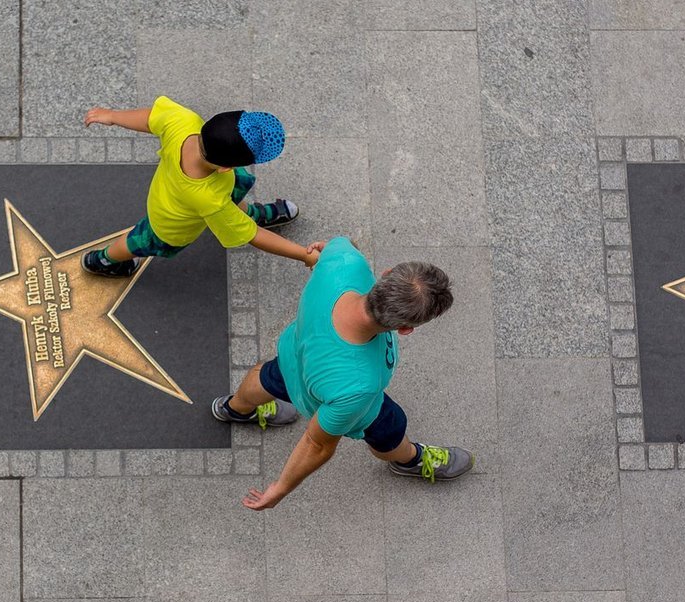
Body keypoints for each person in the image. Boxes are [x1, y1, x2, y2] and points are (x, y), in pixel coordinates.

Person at [213, 238, 473, 509]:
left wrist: (324, 258)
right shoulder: (359, 386)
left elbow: (336, 245)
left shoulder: (346, 261)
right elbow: (317, 443)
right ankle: (409, 460)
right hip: (348, 402)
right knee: (390, 429)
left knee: (267, 376)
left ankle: (234, 409)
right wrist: (280, 488)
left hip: (295, 356)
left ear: (385, 274)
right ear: (406, 328)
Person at [80, 96, 313, 276]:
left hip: (189, 193)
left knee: (232, 200)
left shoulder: (184, 122)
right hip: (169, 222)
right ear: (225, 168)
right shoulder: (210, 199)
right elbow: (252, 236)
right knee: (138, 240)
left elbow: (150, 118)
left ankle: (250, 213)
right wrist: (303, 255)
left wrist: (112, 115)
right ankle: (103, 260)